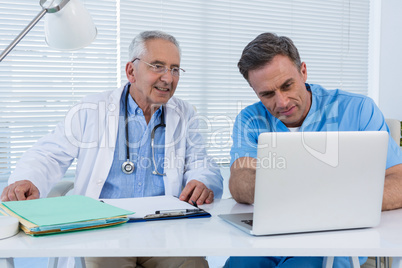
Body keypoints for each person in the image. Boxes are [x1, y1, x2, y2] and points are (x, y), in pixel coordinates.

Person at [1, 30, 223, 268]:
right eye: (157, 66)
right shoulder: (91, 109)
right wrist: (27, 179)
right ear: (131, 71)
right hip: (103, 232)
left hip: (165, 232)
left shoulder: (185, 114)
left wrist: (202, 181)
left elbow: (202, 162)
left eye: (175, 69)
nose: (168, 78)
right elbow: (48, 154)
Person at [225, 32, 402, 268]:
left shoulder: (358, 110)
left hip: (335, 242)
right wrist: (308, 195)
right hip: (268, 239)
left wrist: (328, 201)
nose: (282, 102)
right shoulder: (249, 119)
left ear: (303, 71)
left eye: (287, 85)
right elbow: (240, 182)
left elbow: (398, 179)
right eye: (267, 94)